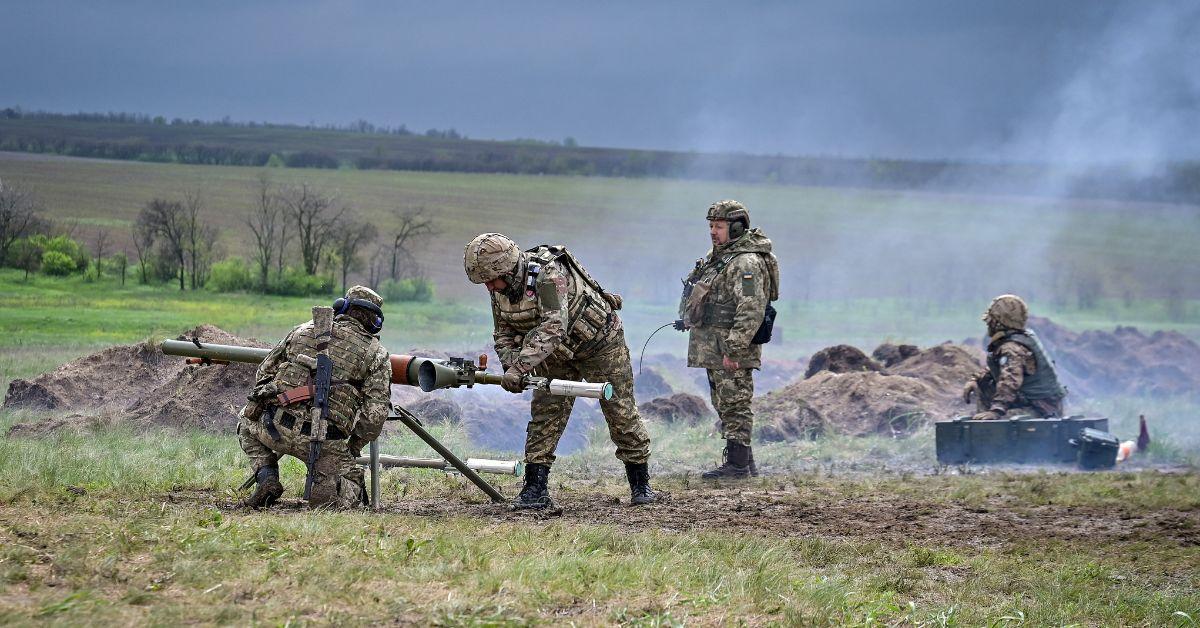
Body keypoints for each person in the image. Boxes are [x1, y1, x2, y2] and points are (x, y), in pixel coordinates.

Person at [463, 233, 656, 508]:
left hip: (600, 345)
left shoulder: (548, 276)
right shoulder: (500, 290)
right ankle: (535, 490)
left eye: (492, 279)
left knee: (619, 411)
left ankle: (641, 485)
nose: (489, 287)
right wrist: (510, 366)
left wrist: (520, 366)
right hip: (554, 353)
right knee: (546, 413)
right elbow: (503, 332)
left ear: (508, 268)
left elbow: (554, 327)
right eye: (484, 282)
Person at [238, 285, 392, 508]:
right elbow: (375, 415)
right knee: (346, 491)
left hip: (275, 427)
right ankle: (329, 488)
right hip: (326, 442)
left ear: (342, 307)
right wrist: (353, 447)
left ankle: (267, 477)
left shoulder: (302, 330)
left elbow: (264, 372)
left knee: (245, 422)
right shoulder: (376, 354)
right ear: (374, 321)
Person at [678, 200, 779, 479]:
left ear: (735, 227)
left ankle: (737, 466)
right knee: (725, 402)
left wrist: (734, 349)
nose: (713, 231)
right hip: (715, 346)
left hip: (731, 347)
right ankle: (745, 463)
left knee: (735, 403)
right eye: (711, 225)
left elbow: (751, 308)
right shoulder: (720, 257)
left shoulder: (746, 262)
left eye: (719, 226)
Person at [962, 294, 1067, 420]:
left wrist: (996, 411)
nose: (988, 324)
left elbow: (1009, 380)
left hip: (1041, 410)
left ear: (998, 322)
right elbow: (1003, 369)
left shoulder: (1012, 347)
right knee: (983, 384)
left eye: (991, 320)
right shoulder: (1019, 339)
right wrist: (976, 379)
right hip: (1038, 403)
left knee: (999, 423)